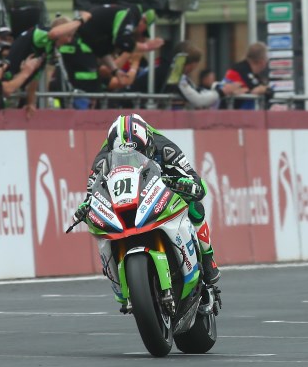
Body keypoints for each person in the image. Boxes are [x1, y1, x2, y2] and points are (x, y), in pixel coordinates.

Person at [81, 113, 220, 287]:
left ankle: (208, 257)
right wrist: (86, 206)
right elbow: (91, 193)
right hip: (127, 196)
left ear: (149, 146)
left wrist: (189, 184)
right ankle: (115, 270)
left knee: (195, 206)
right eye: (125, 157)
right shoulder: (103, 158)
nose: (131, 159)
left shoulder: (166, 147)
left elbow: (197, 182)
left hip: (160, 188)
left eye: (138, 154)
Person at [224, 42, 270, 109]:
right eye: (266, 58)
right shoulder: (240, 70)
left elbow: (265, 91)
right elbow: (255, 89)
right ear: (262, 61)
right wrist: (265, 90)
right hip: (236, 112)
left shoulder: (252, 73)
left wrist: (266, 90)